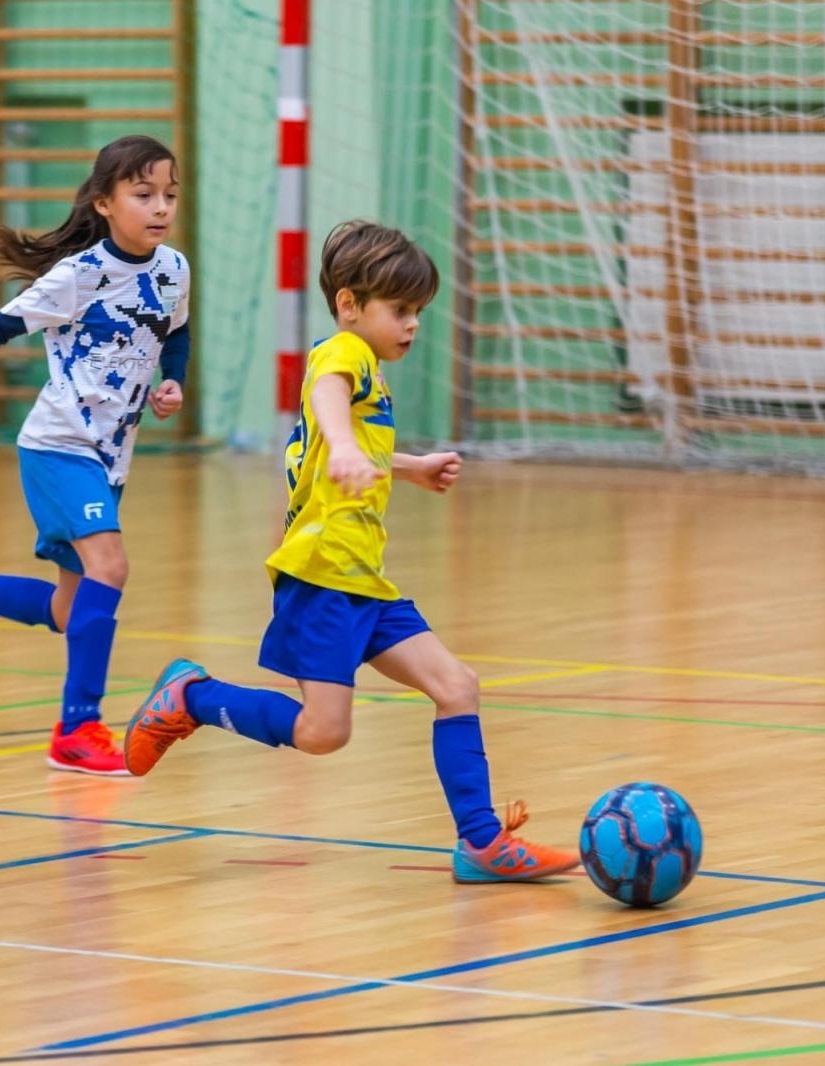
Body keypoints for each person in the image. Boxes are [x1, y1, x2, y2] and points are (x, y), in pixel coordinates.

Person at [124, 220, 578, 883]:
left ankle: (482, 843)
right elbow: (327, 397)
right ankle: (192, 698)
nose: (412, 324)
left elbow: (352, 441)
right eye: (400, 309)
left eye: (418, 311)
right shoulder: (343, 354)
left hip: (364, 579)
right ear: (349, 304)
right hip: (323, 576)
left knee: (457, 686)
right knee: (323, 732)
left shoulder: (369, 374)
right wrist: (341, 444)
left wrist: (412, 467)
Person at [0, 135, 190, 776]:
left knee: (69, 610)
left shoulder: (174, 269)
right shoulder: (79, 276)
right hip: (59, 446)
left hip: (110, 459)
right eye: (143, 194)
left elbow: (176, 333)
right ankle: (77, 727)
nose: (160, 207)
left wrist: (173, 381)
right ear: (104, 203)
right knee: (110, 568)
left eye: (169, 195)